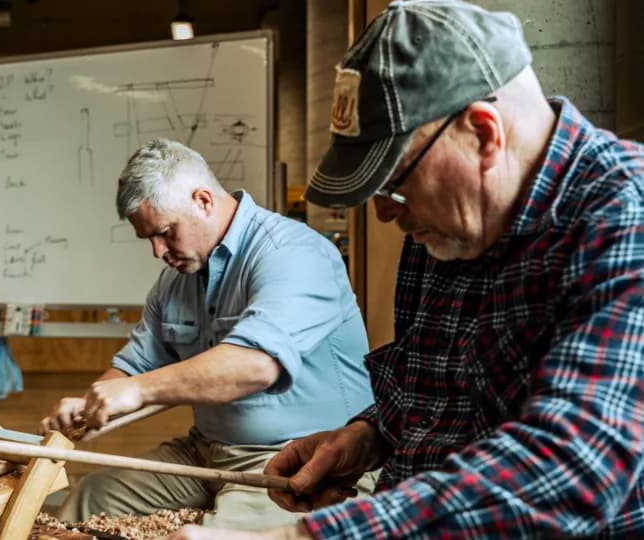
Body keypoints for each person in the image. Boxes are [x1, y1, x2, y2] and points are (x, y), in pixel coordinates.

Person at [158, 1, 644, 539]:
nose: (386, 213)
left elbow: (574, 465)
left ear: (483, 134)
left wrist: (306, 538)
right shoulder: (451, 225)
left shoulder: (626, 218)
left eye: (392, 184)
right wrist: (367, 436)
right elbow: (432, 386)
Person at [39, 138, 376, 530]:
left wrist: (139, 391)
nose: (157, 250)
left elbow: (255, 366)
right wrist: (88, 406)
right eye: (148, 238)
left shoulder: (294, 253)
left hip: (303, 459)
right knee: (90, 498)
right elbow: (135, 367)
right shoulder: (174, 282)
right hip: (205, 452)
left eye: (165, 232)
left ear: (202, 200)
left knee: (218, 536)